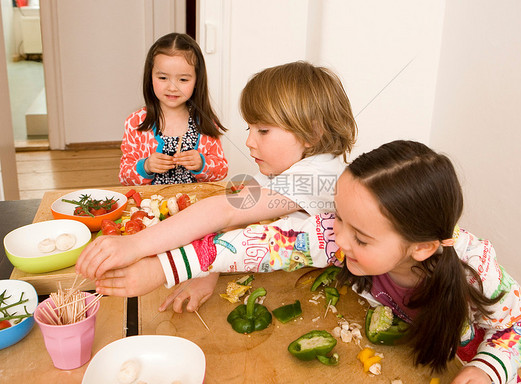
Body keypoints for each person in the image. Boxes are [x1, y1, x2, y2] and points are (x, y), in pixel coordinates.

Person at [97, 140, 521, 384]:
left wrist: (487, 370)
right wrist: (156, 268)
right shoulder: (338, 234)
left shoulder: (474, 268)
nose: (338, 239)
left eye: (360, 236)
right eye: (339, 220)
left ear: (421, 247)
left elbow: (520, 325)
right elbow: (257, 243)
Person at [76, 61, 357, 313]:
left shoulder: (321, 177)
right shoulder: (291, 168)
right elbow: (242, 212)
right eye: (250, 129)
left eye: (263, 130)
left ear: (312, 133)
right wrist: (207, 272)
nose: (249, 141)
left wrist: (135, 245)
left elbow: (226, 211)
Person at [119, 32, 228, 186]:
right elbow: (124, 176)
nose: (172, 87)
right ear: (150, 77)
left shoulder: (205, 122)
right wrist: (146, 167)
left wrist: (202, 164)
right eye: (163, 78)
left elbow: (222, 170)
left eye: (183, 79)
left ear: (197, 80)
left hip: (195, 205)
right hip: (150, 206)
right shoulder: (136, 122)